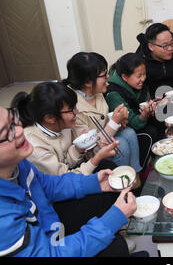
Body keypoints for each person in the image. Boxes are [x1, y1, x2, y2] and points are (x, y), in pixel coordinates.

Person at [0, 105, 138, 256]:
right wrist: (113, 220)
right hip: (49, 244)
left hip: (50, 226)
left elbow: (48, 185)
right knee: (114, 246)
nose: (20, 131)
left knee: (105, 198)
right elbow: (52, 254)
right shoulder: (3, 219)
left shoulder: (18, 164)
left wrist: (95, 182)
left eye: (13, 120)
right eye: (7, 132)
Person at [11, 82, 118, 176]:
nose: (76, 111)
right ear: (50, 118)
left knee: (109, 166)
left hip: (72, 170)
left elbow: (67, 160)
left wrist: (80, 148)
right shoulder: (34, 145)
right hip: (58, 185)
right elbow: (63, 180)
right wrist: (97, 158)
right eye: (71, 109)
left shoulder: (67, 123)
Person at [62, 52, 143, 175]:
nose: (108, 77)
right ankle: (121, 184)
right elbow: (89, 146)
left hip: (103, 138)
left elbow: (103, 122)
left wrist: (118, 122)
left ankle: (135, 175)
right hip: (89, 154)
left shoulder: (96, 91)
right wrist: (114, 123)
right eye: (104, 75)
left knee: (129, 133)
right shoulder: (72, 107)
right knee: (122, 146)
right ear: (88, 82)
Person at [106, 52, 165, 143]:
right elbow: (131, 123)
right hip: (127, 129)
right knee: (150, 133)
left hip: (141, 119)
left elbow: (145, 100)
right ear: (125, 77)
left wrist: (154, 103)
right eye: (139, 76)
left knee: (162, 119)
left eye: (144, 74)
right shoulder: (113, 93)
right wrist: (144, 115)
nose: (143, 79)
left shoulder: (136, 83)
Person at [135, 23, 173, 99]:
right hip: (154, 105)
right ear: (151, 47)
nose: (170, 48)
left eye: (172, 43)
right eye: (165, 46)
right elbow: (140, 94)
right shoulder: (140, 63)